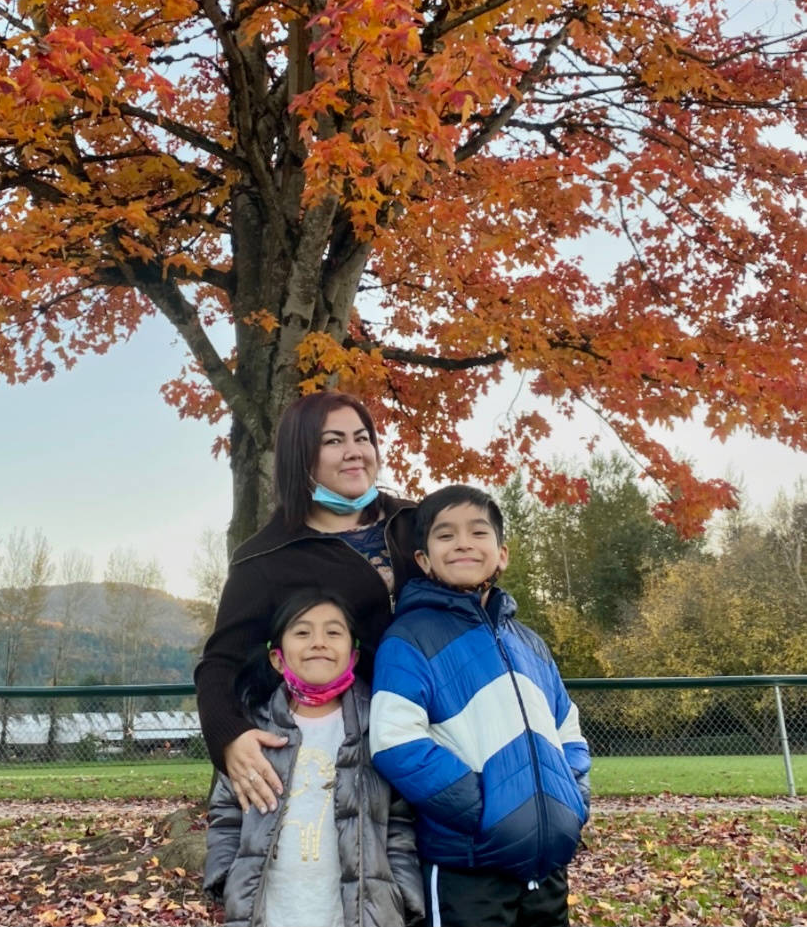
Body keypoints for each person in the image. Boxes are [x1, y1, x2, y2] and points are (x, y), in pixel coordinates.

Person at [369, 484, 590, 927]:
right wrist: (485, 810)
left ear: (502, 552)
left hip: (545, 867)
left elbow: (567, 727)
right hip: (466, 869)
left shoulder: (529, 643)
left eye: (477, 532)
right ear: (424, 560)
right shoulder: (409, 639)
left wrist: (572, 802)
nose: (464, 543)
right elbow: (395, 741)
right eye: (446, 535)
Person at [195, 390, 422, 815]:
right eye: (333, 441)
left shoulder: (418, 524)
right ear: (301, 457)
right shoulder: (265, 557)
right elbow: (220, 664)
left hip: (439, 734)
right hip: (350, 758)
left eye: (362, 438)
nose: (354, 452)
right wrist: (230, 737)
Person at [204, 588, 424, 927]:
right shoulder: (252, 731)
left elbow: (399, 821)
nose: (318, 642)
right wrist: (225, 877)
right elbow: (226, 813)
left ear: (353, 653)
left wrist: (401, 895)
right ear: (277, 657)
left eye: (333, 632)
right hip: (269, 913)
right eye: (302, 632)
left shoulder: (378, 727)